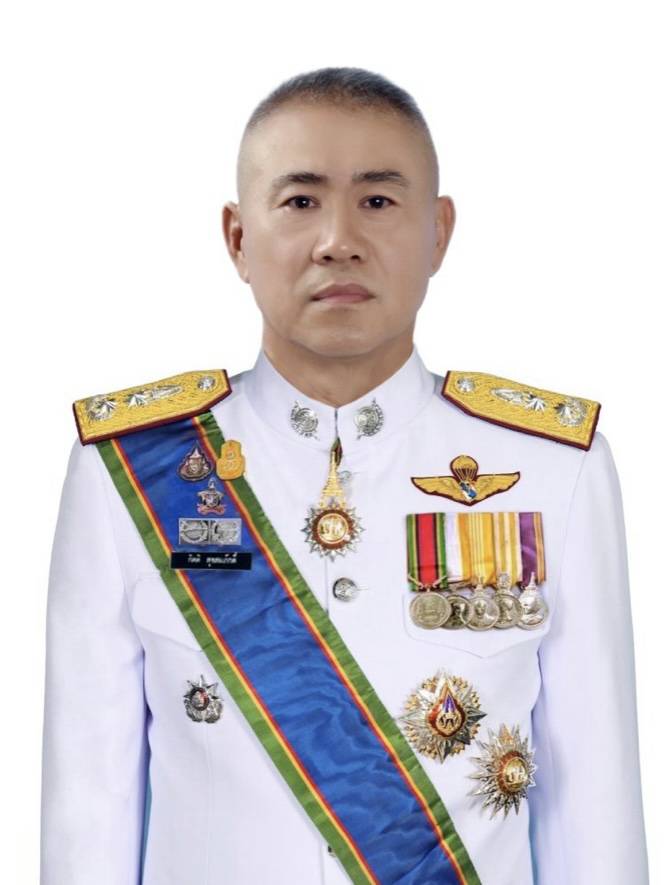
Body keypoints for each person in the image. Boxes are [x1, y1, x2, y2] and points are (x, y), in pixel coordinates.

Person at [40, 66, 649, 885]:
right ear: (237, 238)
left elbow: (594, 812)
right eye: (300, 200)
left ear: (439, 232)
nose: (338, 239)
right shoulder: (128, 471)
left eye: (378, 199)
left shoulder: (555, 469)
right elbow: (89, 812)